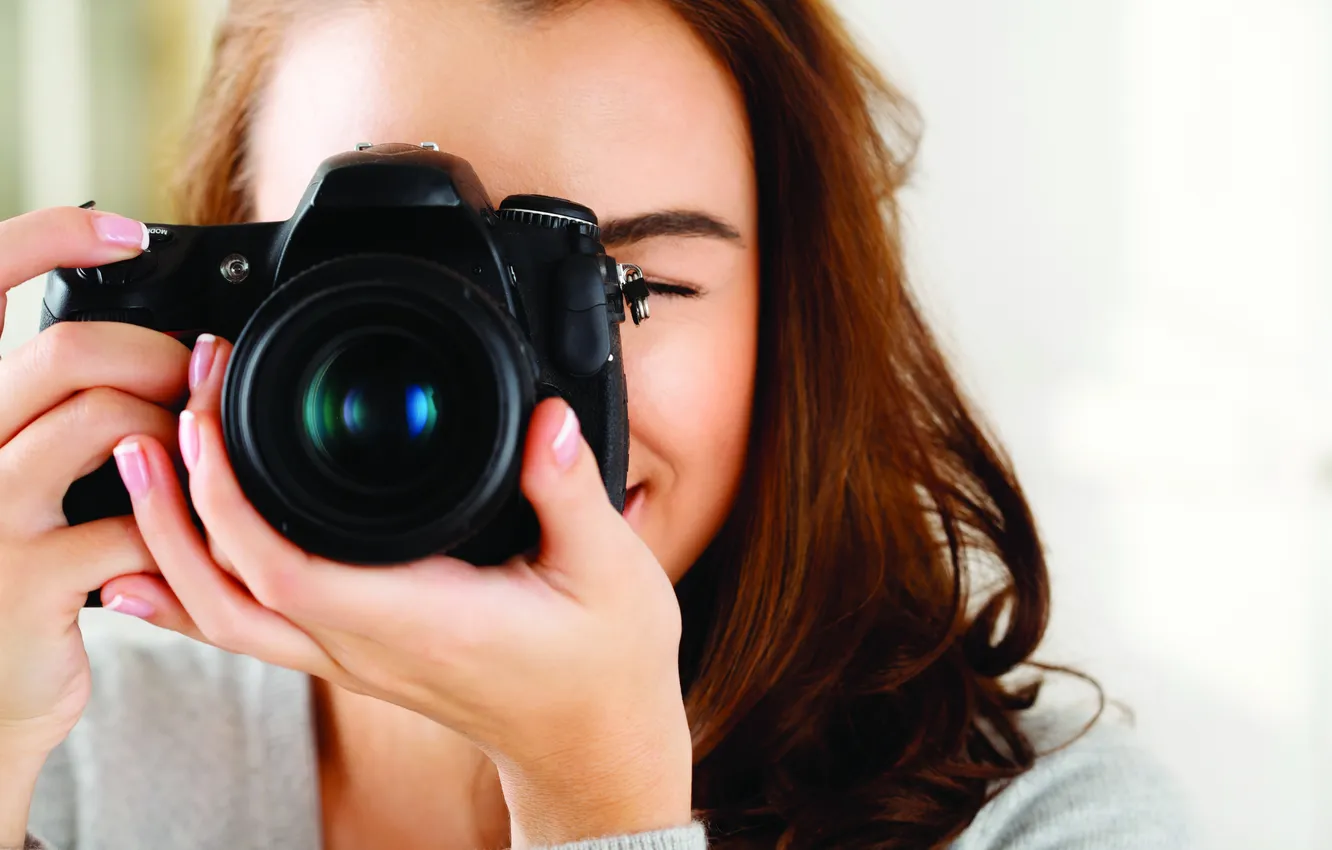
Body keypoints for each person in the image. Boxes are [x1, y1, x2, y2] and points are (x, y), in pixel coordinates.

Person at [0, 1, 1191, 848]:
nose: (517, 395)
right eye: (383, 284)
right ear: (228, 300)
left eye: (634, 289)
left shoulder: (1041, 822)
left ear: (795, 321)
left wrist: (603, 800)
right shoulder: (55, 735)